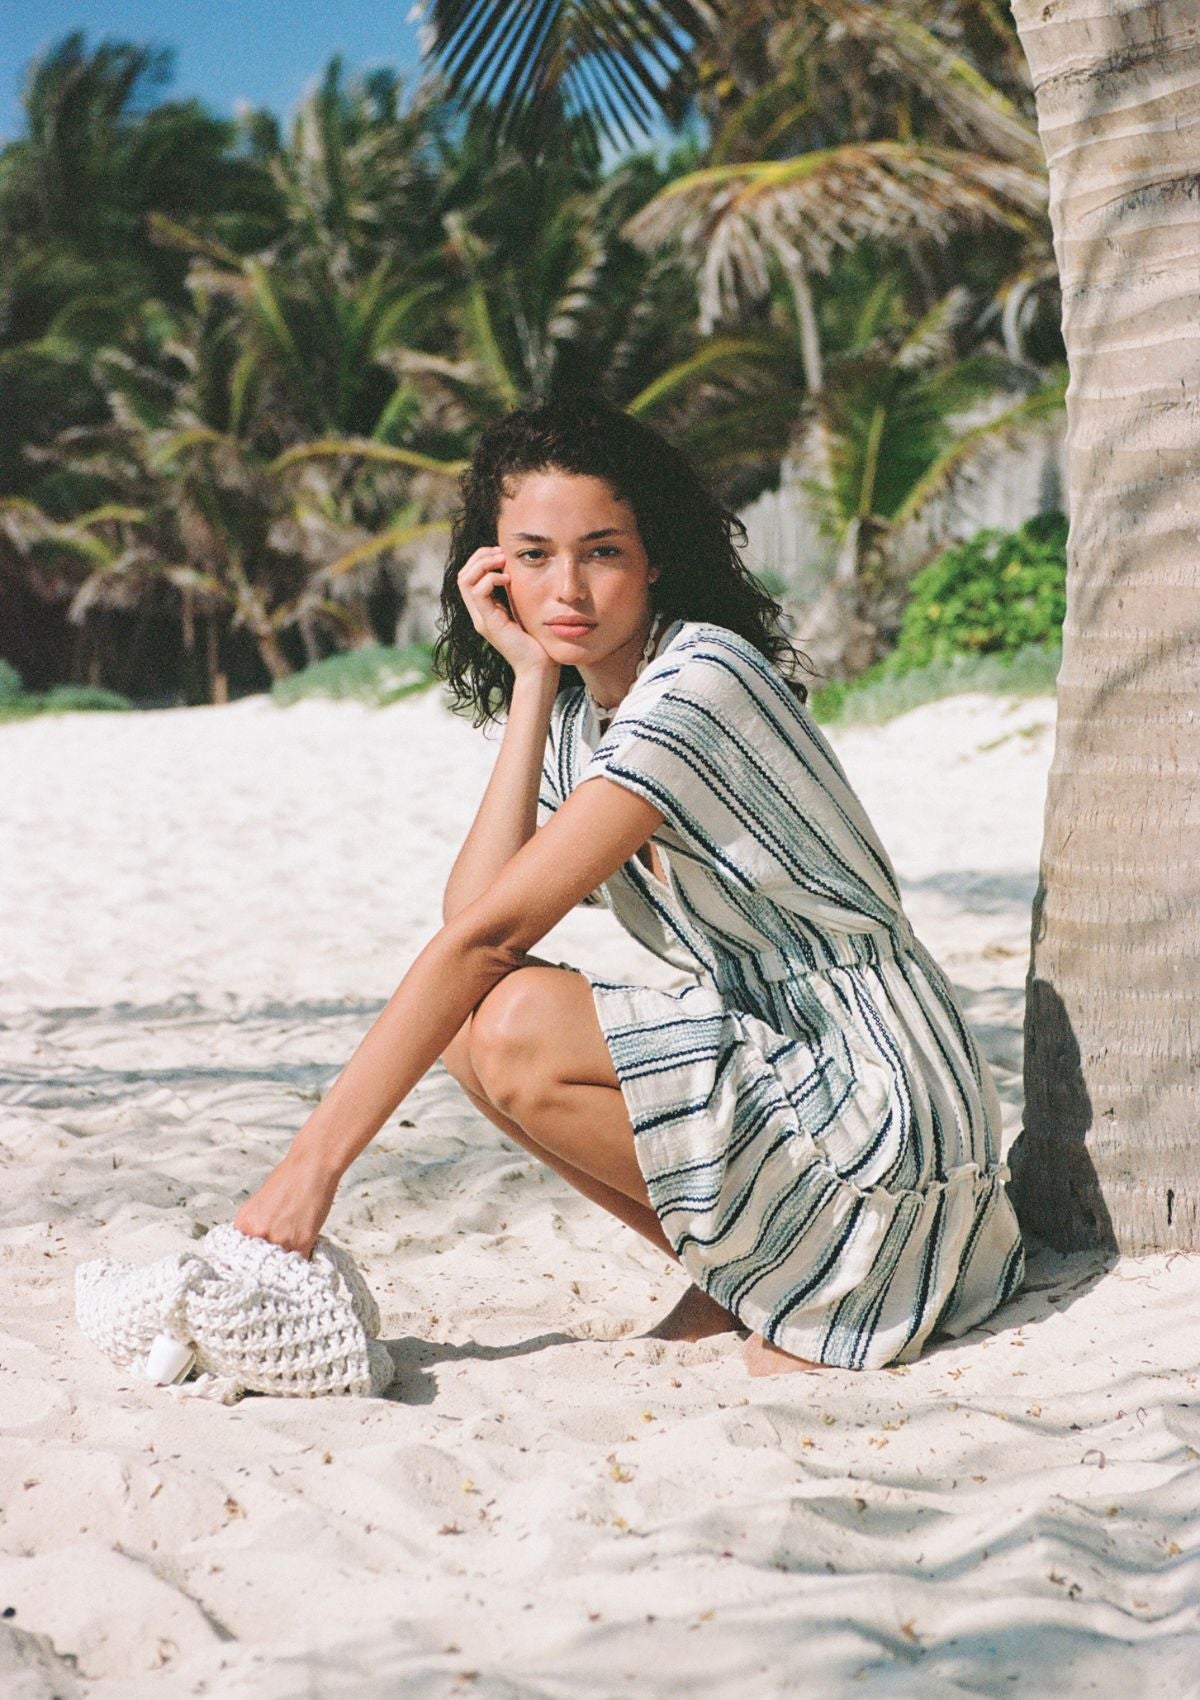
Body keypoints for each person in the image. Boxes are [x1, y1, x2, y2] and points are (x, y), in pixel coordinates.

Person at [234, 394, 1024, 1375]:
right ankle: (749, 1272)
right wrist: (528, 679)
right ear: (494, 568)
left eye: (600, 550)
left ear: (654, 557)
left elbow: (482, 942)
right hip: (788, 1056)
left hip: (879, 1088)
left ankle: (790, 1279)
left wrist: (312, 1168)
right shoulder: (582, 715)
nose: (566, 587)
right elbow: (472, 921)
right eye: (532, 555)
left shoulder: (699, 683)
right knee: (473, 1040)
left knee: (512, 1019)